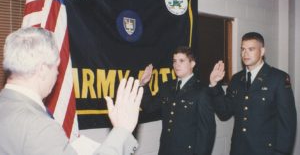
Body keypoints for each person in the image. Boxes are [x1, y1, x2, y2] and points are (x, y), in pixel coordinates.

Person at [0, 27, 144, 155]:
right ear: (43, 70)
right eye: (56, 67)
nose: (57, 73)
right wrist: (122, 130)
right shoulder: (39, 127)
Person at [209, 32, 297, 155]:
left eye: (251, 49)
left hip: (265, 151)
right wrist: (214, 85)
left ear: (262, 51)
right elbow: (224, 112)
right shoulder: (236, 79)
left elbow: (287, 124)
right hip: (238, 150)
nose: (245, 54)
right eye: (243, 49)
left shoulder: (278, 78)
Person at [140, 46, 216, 155]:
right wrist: (144, 84)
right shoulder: (167, 87)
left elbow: (207, 133)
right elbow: (149, 107)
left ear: (192, 64)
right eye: (174, 61)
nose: (176, 65)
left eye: (181, 61)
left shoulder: (201, 91)